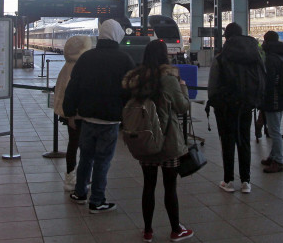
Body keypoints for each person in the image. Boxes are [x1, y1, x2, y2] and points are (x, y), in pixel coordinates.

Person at [123, 40, 194, 243]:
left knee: (148, 185)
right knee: (170, 187)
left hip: (146, 138)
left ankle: (147, 231)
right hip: (168, 141)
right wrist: (183, 88)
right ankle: (175, 230)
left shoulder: (137, 79)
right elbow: (182, 107)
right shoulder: (169, 79)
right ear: (165, 56)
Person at [63, 19, 135, 213]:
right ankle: (97, 200)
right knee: (103, 160)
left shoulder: (86, 58)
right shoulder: (125, 59)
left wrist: (69, 113)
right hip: (110, 120)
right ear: (117, 35)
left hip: (87, 119)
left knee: (86, 157)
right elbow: (131, 92)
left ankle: (80, 193)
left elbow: (73, 88)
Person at [207, 22, 266, 193]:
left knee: (228, 141)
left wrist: (215, 103)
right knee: (244, 140)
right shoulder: (254, 56)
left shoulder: (221, 57)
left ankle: (228, 181)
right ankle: (246, 182)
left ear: (227, 37)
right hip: (247, 104)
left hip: (226, 107)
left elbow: (213, 86)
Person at [53, 35, 93, 191]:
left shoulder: (66, 66)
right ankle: (79, 178)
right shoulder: (82, 67)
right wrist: (73, 116)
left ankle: (72, 177)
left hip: (69, 113)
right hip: (78, 114)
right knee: (83, 146)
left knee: (73, 144)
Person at [259, 30, 283, 173]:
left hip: (273, 98)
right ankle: (272, 156)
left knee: (274, 131)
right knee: (275, 128)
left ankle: (278, 161)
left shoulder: (271, 58)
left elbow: (268, 81)